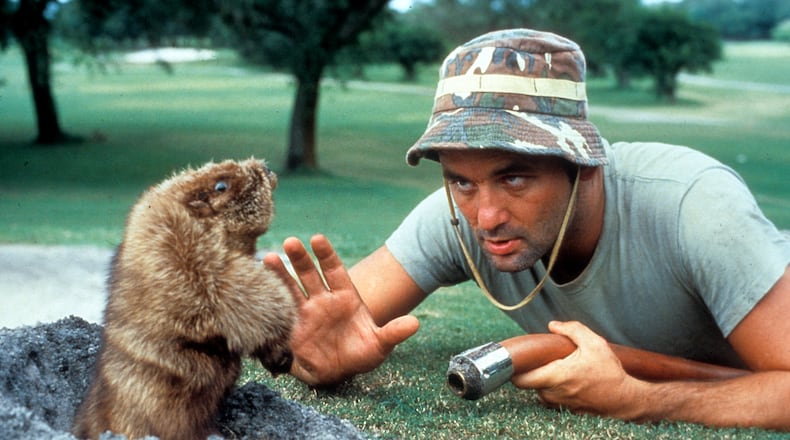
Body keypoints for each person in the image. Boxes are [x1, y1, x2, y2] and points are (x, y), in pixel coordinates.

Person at [263, 29, 790, 430]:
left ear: (583, 163)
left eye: (514, 177)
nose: (485, 216)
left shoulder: (694, 207)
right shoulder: (458, 213)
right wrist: (313, 358)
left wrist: (644, 400)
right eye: (461, 182)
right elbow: (341, 324)